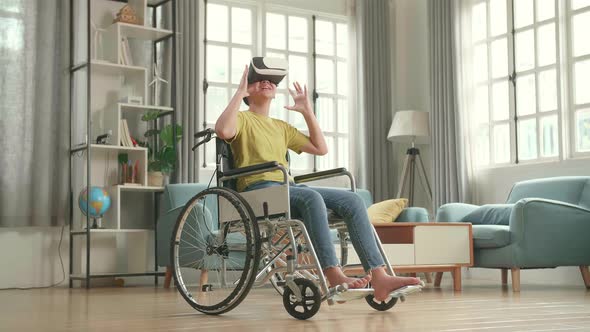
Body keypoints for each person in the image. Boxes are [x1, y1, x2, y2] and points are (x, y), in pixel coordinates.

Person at [215, 61, 421, 301]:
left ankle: (380, 276)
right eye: (259, 78)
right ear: (248, 89)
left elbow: (320, 148)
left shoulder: (281, 127)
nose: (267, 82)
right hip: (258, 191)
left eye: (272, 80)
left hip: (287, 188)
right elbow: (222, 131)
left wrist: (307, 111)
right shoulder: (242, 119)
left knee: (353, 200)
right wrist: (239, 93)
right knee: (310, 196)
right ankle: (333, 274)